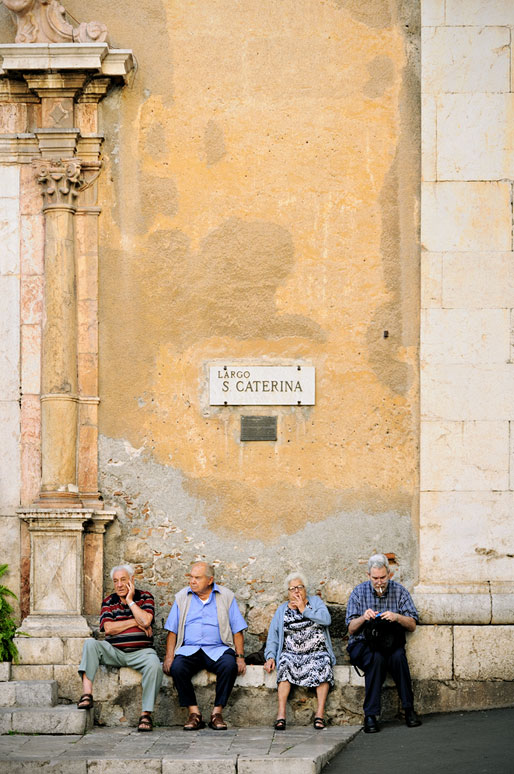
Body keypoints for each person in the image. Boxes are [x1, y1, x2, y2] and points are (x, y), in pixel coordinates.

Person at [77, 563, 162, 732]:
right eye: (116, 581)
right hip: (114, 651)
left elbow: (146, 621)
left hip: (141, 652)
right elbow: (109, 628)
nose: (120, 585)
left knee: (154, 665)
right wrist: (135, 621)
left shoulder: (145, 597)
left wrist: (130, 602)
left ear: (132, 580)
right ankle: (87, 695)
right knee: (90, 643)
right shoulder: (109, 601)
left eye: (123, 580)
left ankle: (146, 715)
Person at [163, 561, 247, 731]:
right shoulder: (182, 597)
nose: (192, 581)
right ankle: (194, 714)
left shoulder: (226, 596)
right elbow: (172, 631)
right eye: (191, 577)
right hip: (190, 648)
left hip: (218, 648)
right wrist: (169, 656)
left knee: (229, 666)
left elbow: (237, 630)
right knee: (177, 668)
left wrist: (240, 657)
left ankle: (217, 713)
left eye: (197, 578)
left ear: (210, 580)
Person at [345, 553, 422, 733]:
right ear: (368, 576)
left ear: (389, 574)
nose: (379, 582)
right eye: (375, 578)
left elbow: (412, 625)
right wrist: (364, 617)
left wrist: (396, 617)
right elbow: (351, 629)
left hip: (390, 643)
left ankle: (409, 709)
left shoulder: (399, 591)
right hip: (363, 644)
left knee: (398, 657)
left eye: (383, 578)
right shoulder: (359, 592)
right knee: (376, 659)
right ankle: (370, 715)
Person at [264, 572, 335, 730]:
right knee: (284, 663)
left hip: (316, 652)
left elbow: (326, 620)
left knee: (324, 663)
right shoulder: (282, 610)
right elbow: (273, 636)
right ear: (288, 593)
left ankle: (319, 715)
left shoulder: (315, 602)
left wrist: (304, 609)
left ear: (305, 589)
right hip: (291, 653)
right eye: (292, 589)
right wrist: (270, 656)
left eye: (299, 587)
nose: (296, 591)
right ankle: (281, 715)